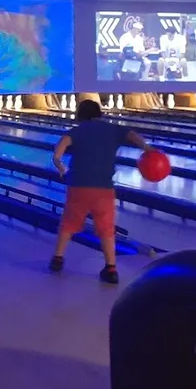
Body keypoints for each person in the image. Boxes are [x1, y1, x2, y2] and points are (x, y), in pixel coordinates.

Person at [50, 99, 153, 284]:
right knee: (106, 229)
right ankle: (111, 269)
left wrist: (59, 163)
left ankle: (57, 259)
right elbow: (132, 135)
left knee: (68, 223)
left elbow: (61, 146)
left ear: (80, 115)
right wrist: (147, 149)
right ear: (99, 113)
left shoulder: (78, 130)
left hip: (78, 187)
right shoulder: (112, 129)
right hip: (104, 189)